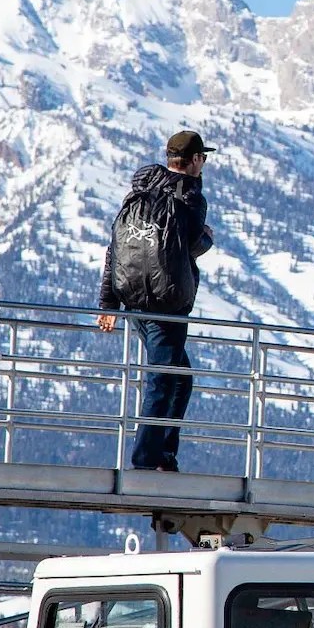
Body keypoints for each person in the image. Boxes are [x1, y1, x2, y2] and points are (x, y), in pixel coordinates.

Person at [96, 130, 216, 471]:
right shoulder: (190, 196)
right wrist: (206, 238)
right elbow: (189, 246)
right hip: (166, 305)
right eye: (203, 158)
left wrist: (109, 304)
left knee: (179, 377)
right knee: (163, 380)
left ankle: (163, 453)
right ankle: (148, 460)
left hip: (134, 299)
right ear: (194, 160)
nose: (203, 164)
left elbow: (116, 247)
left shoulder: (140, 190)